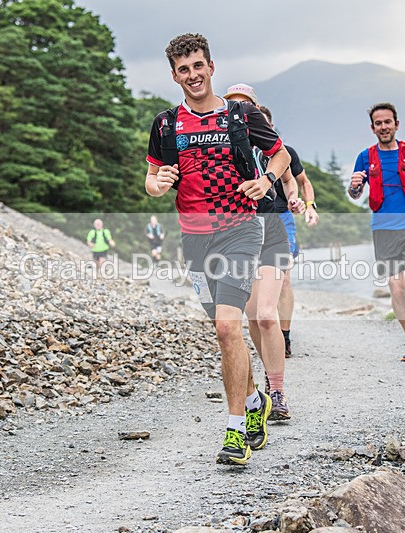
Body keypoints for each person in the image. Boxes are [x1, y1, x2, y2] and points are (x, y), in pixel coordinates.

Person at [144, 34, 291, 466]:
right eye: (183, 69)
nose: (192, 75)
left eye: (198, 66)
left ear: (211, 67)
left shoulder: (241, 114)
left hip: (241, 231)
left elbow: (279, 155)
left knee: (229, 328)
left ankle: (233, 434)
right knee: (223, 333)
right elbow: (150, 180)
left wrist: (265, 181)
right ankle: (253, 402)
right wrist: (158, 185)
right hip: (194, 238)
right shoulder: (166, 124)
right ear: (174, 75)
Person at [223, 85, 305, 422]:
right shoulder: (218, 143)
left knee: (266, 315)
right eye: (234, 106)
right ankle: (263, 381)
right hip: (234, 233)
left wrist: (299, 200)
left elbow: (290, 174)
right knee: (253, 316)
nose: (240, 112)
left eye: (246, 107)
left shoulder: (269, 144)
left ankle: (277, 391)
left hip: (270, 228)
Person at [348, 102, 405, 362]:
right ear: (373, 128)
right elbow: (354, 193)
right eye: (379, 123)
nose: (384, 126)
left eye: (388, 122)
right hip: (383, 231)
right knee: (397, 289)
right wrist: (354, 186)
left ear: (396, 124)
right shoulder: (365, 157)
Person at [257, 105, 319, 358]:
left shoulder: (285, 153)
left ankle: (284, 336)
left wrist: (309, 205)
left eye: (263, 124)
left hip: (281, 217)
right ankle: (263, 329)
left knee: (283, 279)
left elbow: (301, 182)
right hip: (249, 220)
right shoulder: (238, 151)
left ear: (270, 127)